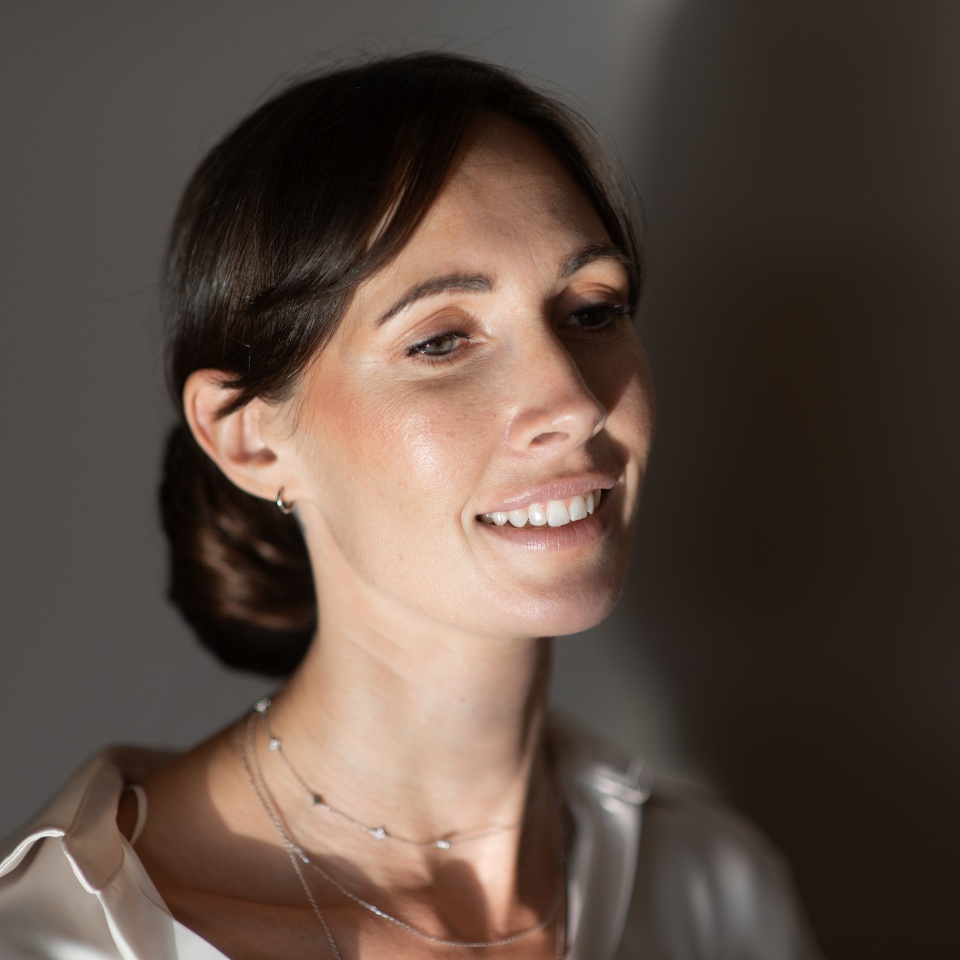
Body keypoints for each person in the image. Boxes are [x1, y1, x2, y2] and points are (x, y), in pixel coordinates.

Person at [0, 52, 823, 959]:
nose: (574, 402)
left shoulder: (715, 890)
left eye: (593, 310)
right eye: (440, 341)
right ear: (252, 440)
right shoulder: (65, 940)